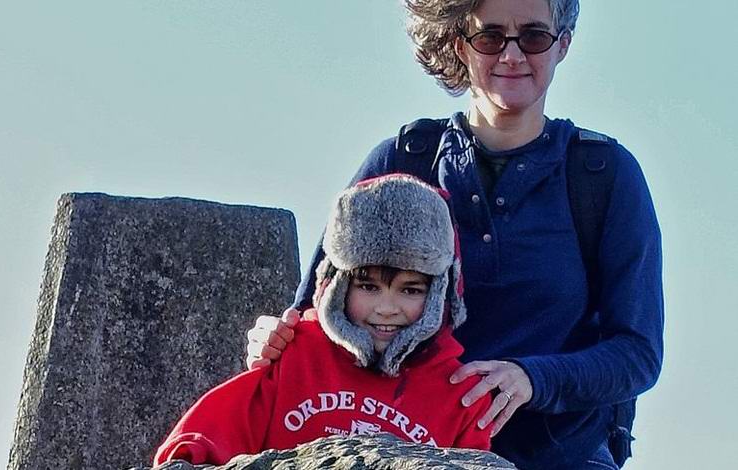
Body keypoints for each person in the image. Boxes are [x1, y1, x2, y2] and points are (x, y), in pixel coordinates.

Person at [245, 1, 663, 469]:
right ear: (461, 45)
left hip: (560, 455)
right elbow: (318, 312)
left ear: (562, 45)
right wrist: (275, 338)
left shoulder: (603, 176)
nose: (511, 56)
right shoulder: (402, 162)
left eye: (533, 37)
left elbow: (638, 352)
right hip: (402, 448)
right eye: (490, 37)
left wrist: (533, 378)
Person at [154, 175, 493, 466]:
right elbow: (197, 442)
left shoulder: (462, 397)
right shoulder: (294, 354)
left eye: (410, 290)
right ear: (336, 285)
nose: (387, 308)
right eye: (368, 287)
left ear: (440, 295)